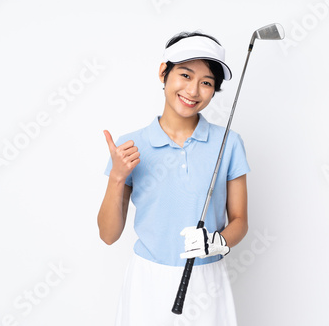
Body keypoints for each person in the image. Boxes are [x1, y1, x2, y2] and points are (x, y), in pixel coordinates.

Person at [97, 30, 250, 326]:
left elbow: (240, 221)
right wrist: (117, 177)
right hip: (148, 281)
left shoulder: (229, 143)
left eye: (207, 83)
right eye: (185, 75)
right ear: (163, 73)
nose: (193, 91)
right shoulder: (130, 146)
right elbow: (108, 235)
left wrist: (217, 241)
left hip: (207, 278)